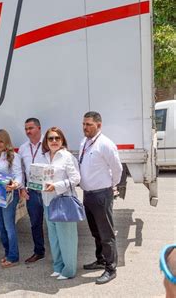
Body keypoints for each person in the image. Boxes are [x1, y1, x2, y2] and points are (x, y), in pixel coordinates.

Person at [79, 111, 122, 285]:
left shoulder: (105, 144)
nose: (85, 127)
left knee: (106, 233)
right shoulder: (85, 142)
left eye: (89, 124)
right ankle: (101, 259)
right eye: (83, 124)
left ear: (99, 125)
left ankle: (111, 268)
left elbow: (117, 169)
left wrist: (110, 186)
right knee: (95, 231)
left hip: (101, 194)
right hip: (88, 194)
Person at [41, 127, 81, 280]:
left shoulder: (67, 157)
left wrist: (56, 186)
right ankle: (58, 266)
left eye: (57, 138)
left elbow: (76, 179)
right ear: (46, 141)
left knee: (67, 238)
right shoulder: (44, 157)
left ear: (62, 140)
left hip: (63, 201)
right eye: (50, 138)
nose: (54, 141)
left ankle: (69, 270)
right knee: (54, 237)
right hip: (47, 202)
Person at [0, 129, 23, 268]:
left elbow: (18, 174)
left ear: (6, 141)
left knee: (9, 226)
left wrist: (15, 184)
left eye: (1, 141)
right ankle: (7, 251)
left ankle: (13, 256)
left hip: (9, 194)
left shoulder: (13, 156)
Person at [18, 118, 47, 263]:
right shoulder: (23, 148)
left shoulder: (48, 144)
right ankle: (39, 251)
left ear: (39, 128)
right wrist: (22, 188)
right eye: (26, 129)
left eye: (31, 128)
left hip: (48, 190)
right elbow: (20, 171)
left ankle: (59, 252)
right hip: (32, 191)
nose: (28, 131)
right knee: (35, 223)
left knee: (54, 223)